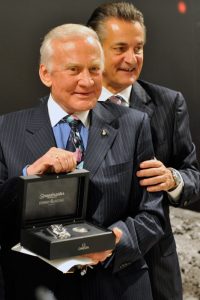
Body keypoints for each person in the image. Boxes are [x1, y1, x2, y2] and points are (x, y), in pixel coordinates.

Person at [0, 23, 165, 300]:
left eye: (94, 69)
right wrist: (28, 176)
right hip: (36, 289)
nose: (87, 81)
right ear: (45, 74)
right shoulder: (6, 130)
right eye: (74, 70)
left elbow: (154, 215)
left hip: (118, 287)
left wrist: (115, 242)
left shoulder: (134, 125)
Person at [87, 2, 200, 300]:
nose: (131, 58)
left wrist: (173, 179)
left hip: (154, 269)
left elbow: (194, 177)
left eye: (138, 48)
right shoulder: (73, 104)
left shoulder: (168, 104)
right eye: (120, 48)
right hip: (89, 268)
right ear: (94, 49)